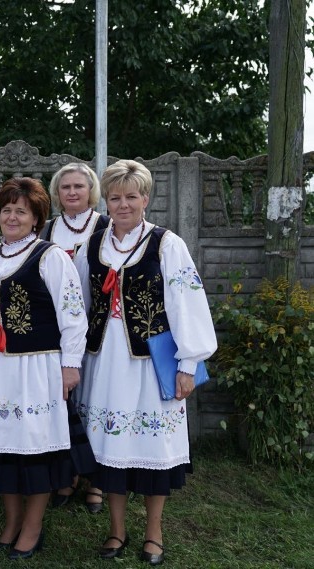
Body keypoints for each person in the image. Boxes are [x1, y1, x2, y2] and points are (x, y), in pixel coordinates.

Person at [73, 160, 216, 565]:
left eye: (131, 196)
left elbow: (188, 304)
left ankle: (153, 533)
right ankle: (116, 531)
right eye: (115, 197)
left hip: (152, 363)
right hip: (104, 361)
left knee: (155, 449)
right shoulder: (93, 245)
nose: (122, 204)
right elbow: (79, 303)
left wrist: (189, 363)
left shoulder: (167, 244)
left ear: (145, 199)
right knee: (110, 449)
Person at [0, 177, 89, 560]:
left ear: (36, 218)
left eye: (22, 211)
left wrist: (70, 366)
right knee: (2, 452)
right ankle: (11, 522)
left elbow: (73, 316)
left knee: (34, 452)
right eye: (7, 210)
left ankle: (32, 529)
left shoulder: (50, 257)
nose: (13, 216)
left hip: (36, 370)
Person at [43, 162, 109, 513]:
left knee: (95, 402)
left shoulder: (106, 225)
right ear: (57, 193)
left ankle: (97, 482)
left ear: (91, 191)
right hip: (59, 330)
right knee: (66, 403)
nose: (71, 192)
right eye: (65, 187)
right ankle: (67, 477)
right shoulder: (48, 229)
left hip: (100, 328)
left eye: (78, 187)